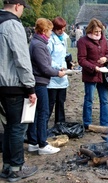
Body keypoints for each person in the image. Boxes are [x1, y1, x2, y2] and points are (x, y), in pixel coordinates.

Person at [0, 0, 38, 181]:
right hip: (14, 86)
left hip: (1, 86)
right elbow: (22, 59)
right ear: (17, 5)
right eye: (23, 8)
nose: (22, 11)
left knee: (8, 128)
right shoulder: (13, 25)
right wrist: (30, 87)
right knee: (17, 128)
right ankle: (16, 169)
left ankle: (7, 166)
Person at [27, 18, 66, 155]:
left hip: (39, 81)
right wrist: (58, 73)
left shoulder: (38, 42)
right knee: (42, 113)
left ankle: (33, 142)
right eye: (50, 30)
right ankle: (42, 144)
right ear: (44, 31)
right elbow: (44, 68)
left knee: (36, 114)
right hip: (39, 82)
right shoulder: (39, 45)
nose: (51, 32)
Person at [77, 18, 108, 129]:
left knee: (104, 100)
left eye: (100, 31)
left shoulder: (104, 40)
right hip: (90, 74)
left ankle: (105, 123)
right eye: (96, 31)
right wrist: (93, 67)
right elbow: (81, 59)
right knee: (89, 99)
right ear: (90, 30)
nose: (98, 33)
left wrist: (105, 59)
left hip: (103, 74)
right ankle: (87, 123)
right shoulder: (83, 41)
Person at [47, 17, 69, 123]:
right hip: (52, 76)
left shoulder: (64, 38)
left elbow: (64, 54)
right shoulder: (50, 40)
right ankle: (44, 126)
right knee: (50, 102)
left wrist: (69, 63)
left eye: (63, 28)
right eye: (59, 29)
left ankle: (60, 124)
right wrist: (58, 67)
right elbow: (47, 59)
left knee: (61, 102)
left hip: (63, 76)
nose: (62, 31)